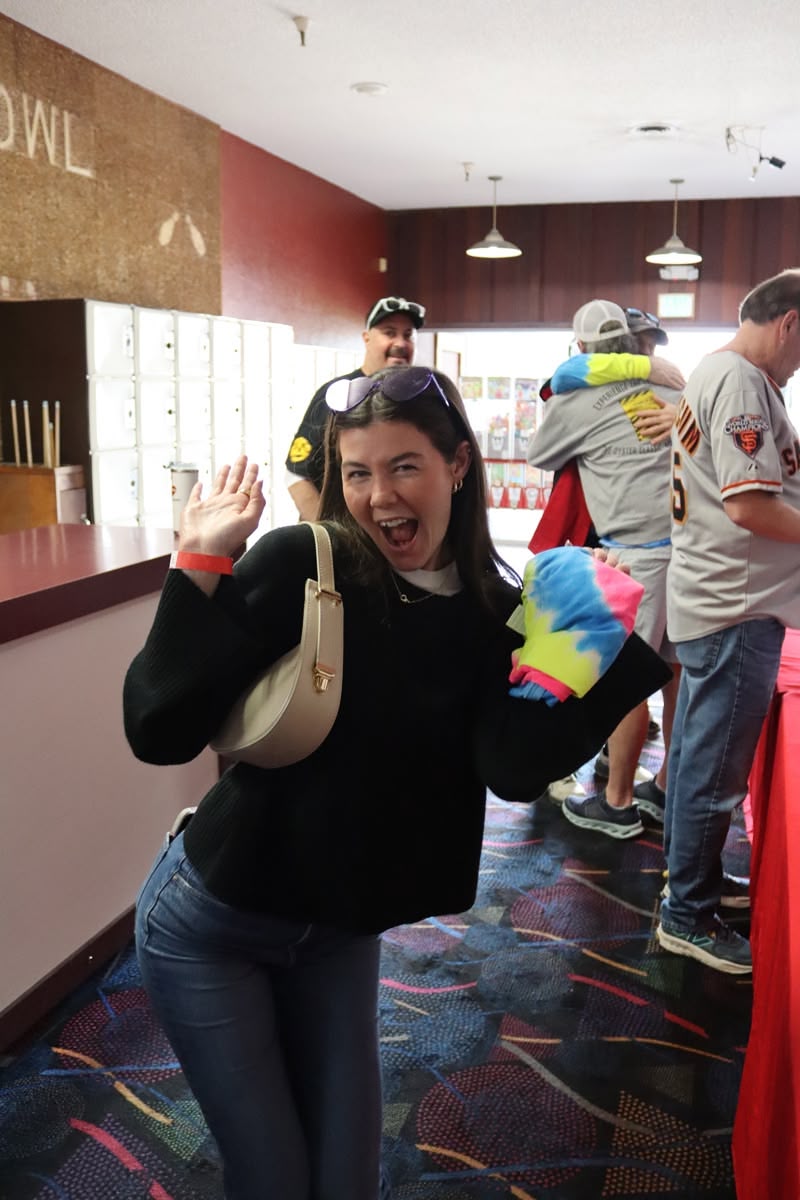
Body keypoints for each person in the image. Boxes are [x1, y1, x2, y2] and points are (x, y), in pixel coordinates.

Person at [124, 364, 669, 1199]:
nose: (379, 496)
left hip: (342, 926)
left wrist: (587, 643)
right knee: (275, 1176)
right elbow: (158, 728)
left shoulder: (493, 607)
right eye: (357, 472)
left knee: (346, 1178)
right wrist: (198, 560)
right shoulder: (307, 564)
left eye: (404, 466)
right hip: (214, 919)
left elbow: (513, 768)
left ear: (458, 465)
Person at [658, 268, 800, 974]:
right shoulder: (741, 381)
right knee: (713, 774)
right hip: (735, 607)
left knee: (695, 760)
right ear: (790, 323)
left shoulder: (719, 372)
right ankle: (688, 914)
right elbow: (749, 505)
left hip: (717, 598)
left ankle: (690, 887)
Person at [528, 299, 682, 838]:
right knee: (675, 674)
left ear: (581, 348)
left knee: (626, 680)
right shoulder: (671, 387)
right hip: (685, 550)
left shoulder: (575, 400)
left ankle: (616, 803)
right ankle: (666, 786)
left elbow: (541, 454)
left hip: (631, 558)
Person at [285, 296, 425, 520]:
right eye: (389, 333)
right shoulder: (337, 395)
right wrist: (328, 532)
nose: (400, 343)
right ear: (366, 338)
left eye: (408, 335)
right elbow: (296, 474)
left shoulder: (422, 399)